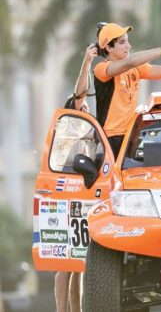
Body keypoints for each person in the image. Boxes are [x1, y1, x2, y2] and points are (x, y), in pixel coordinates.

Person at [94, 22, 161, 158]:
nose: (128, 46)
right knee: (122, 177)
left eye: (127, 41)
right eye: (122, 42)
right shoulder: (102, 69)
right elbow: (130, 62)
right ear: (108, 47)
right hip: (112, 138)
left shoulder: (136, 68)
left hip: (133, 133)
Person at [55, 44, 98, 312]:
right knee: (64, 262)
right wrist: (87, 61)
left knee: (78, 263)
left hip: (82, 191)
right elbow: (80, 90)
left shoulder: (90, 123)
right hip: (64, 189)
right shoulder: (73, 116)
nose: (86, 102)